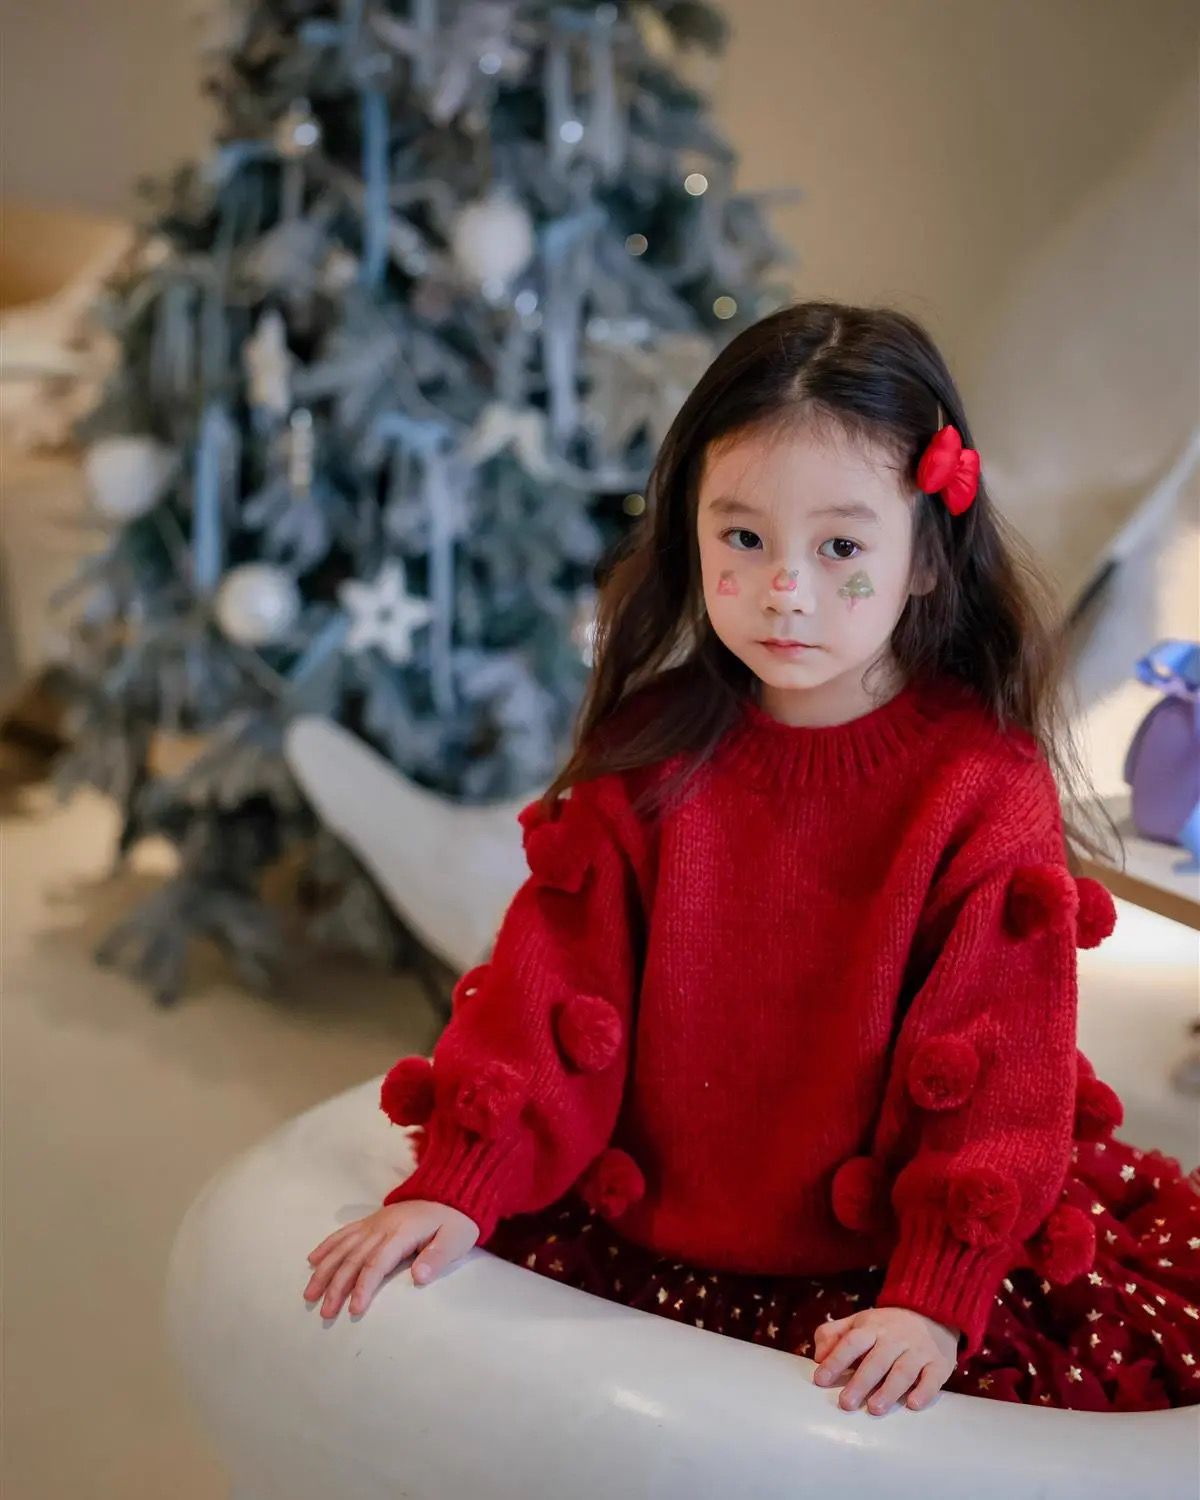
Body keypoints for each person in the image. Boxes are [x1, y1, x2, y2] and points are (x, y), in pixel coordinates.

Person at [304, 300, 1200, 1416]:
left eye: (840, 546)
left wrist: (935, 1288)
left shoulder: (982, 786)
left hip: (875, 1279)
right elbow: (553, 989)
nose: (786, 588)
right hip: (643, 1230)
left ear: (926, 556)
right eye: (743, 537)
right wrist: (462, 1182)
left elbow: (998, 1055)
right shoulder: (652, 749)